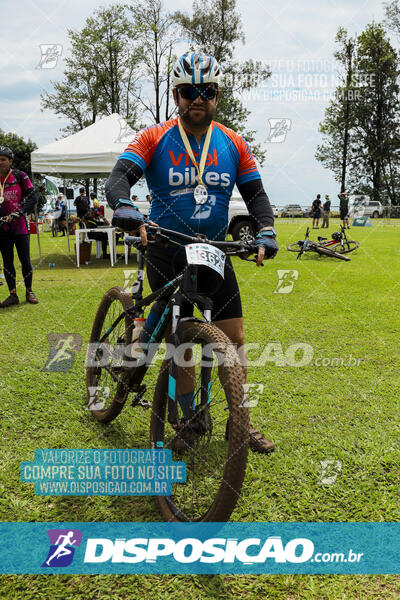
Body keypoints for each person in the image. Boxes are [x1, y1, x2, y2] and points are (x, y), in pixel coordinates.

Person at [106, 52, 279, 454]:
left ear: (218, 96)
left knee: (234, 339)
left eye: (207, 91)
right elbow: (118, 179)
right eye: (188, 91)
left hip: (215, 252)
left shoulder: (234, 142)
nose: (197, 99)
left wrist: (266, 230)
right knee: (181, 344)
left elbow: (256, 195)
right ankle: (185, 419)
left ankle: (241, 422)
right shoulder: (154, 137)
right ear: (176, 95)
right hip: (166, 249)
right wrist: (126, 207)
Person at [0, 146, 39, 307]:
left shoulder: (20, 176)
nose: (0, 162)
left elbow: (33, 197)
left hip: (20, 227)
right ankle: (12, 294)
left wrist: (20, 212)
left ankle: (29, 291)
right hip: (2, 228)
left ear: (10, 161)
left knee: (25, 261)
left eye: (3, 159)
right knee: (7, 262)